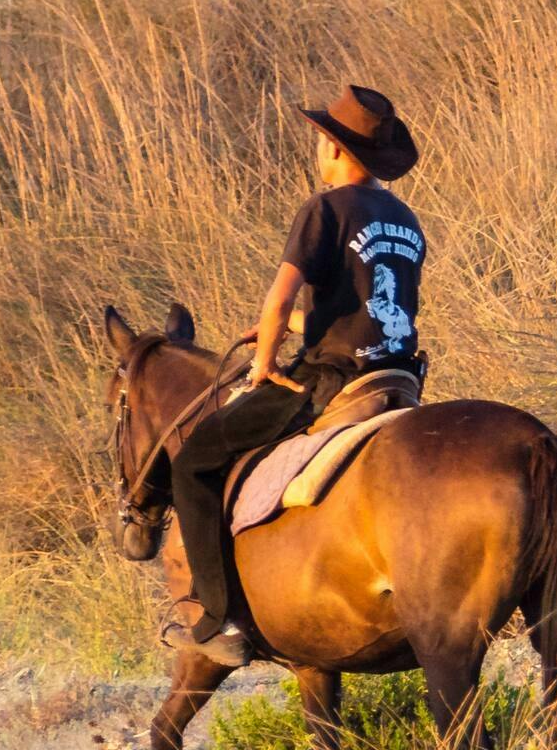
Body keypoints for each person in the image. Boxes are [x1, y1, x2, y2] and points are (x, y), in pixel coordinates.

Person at [167, 85, 433, 664]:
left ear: (336, 150)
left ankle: (218, 617)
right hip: (400, 377)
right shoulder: (406, 219)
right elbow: (370, 302)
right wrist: (288, 328)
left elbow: (279, 295)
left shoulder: (325, 208)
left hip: (332, 381)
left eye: (321, 142)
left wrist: (264, 363)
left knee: (194, 464)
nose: (318, 151)